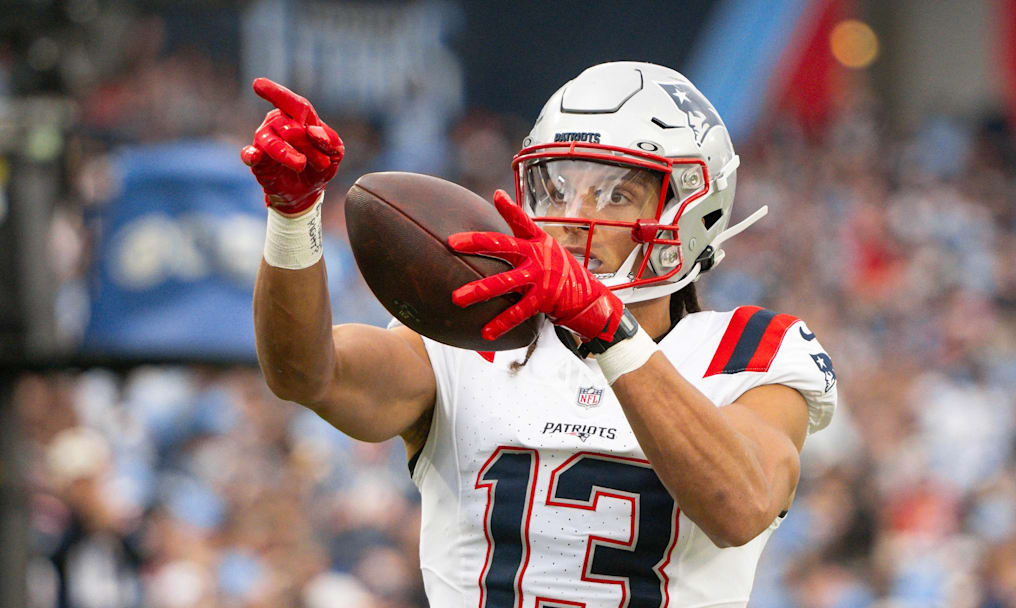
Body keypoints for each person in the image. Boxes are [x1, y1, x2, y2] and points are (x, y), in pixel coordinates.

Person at [243, 61, 838, 607]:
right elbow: (303, 373)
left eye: (616, 194)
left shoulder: (753, 350)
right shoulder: (474, 334)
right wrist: (293, 217)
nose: (575, 214)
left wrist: (609, 333)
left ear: (695, 209)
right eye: (557, 186)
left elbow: (740, 507)